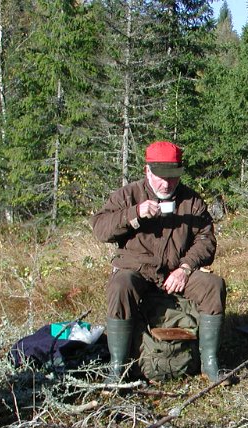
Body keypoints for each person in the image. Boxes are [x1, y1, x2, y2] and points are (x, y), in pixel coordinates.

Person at [91, 141, 226, 382]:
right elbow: (100, 230)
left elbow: (206, 240)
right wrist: (134, 214)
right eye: (161, 177)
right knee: (120, 285)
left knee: (213, 285)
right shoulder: (128, 195)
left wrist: (185, 268)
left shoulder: (192, 202)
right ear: (147, 171)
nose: (167, 183)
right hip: (137, 272)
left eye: (173, 177)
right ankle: (117, 367)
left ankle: (210, 364)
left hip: (177, 272)